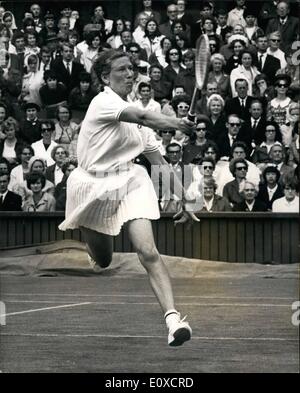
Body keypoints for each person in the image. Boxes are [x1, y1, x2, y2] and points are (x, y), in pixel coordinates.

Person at [58, 50, 199, 346]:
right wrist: (176, 124)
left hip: (130, 181)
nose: (130, 74)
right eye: (121, 69)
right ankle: (94, 252)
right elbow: (147, 116)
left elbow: (159, 162)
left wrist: (185, 199)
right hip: (91, 187)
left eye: (132, 69)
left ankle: (173, 320)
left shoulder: (136, 119)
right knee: (104, 261)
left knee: (147, 251)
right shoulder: (103, 102)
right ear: (105, 77)